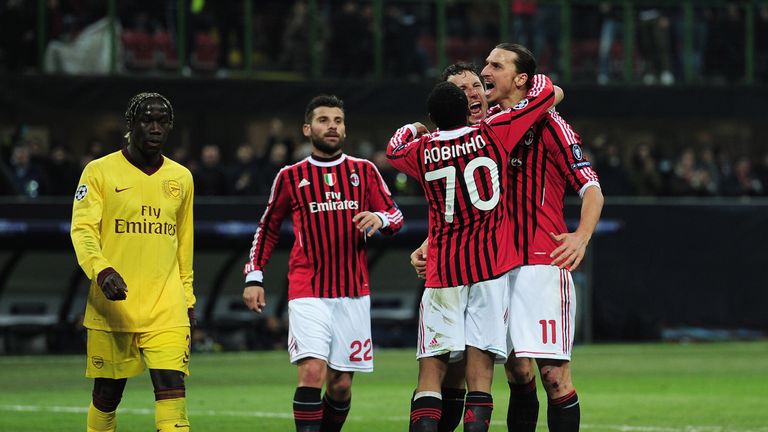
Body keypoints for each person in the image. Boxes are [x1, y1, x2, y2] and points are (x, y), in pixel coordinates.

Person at [412, 44, 603, 432]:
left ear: (520, 79)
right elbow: (462, 198)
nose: (486, 71)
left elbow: (591, 188)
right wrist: (433, 242)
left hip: (541, 265)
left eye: (495, 65)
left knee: (553, 375)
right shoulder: (483, 127)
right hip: (492, 265)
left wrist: (581, 237)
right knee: (516, 371)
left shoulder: (549, 123)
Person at [388, 70, 558, 432]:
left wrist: (416, 128)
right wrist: (537, 81)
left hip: (442, 274)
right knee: (480, 381)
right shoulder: (493, 135)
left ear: (434, 118)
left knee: (430, 375)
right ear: (466, 109)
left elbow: (394, 148)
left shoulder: (423, 151)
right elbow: (543, 95)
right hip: (487, 272)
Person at [242, 94, 403, 432]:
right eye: (323, 120)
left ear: (344, 130)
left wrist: (380, 218)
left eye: (338, 121)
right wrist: (254, 276)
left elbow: (396, 215)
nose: (331, 126)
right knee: (312, 372)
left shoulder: (364, 171)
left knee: (341, 385)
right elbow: (268, 228)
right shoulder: (290, 176)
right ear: (307, 128)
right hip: (308, 289)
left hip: (353, 292)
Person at [70, 92, 196, 432]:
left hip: (166, 307)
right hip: (114, 307)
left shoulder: (182, 178)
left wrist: (188, 298)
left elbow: (184, 244)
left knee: (174, 401)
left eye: (162, 121)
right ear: (131, 125)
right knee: (107, 396)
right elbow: (82, 231)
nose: (155, 128)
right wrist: (101, 270)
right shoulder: (99, 172)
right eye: (147, 120)